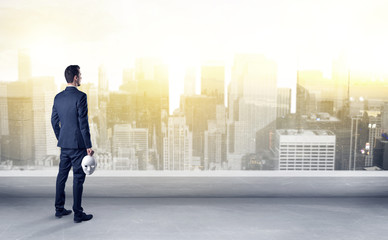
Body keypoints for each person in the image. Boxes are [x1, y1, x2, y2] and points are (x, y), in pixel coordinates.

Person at [51, 65, 94, 223]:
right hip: (78, 145)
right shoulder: (81, 97)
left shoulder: (58, 97)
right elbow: (83, 124)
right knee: (78, 178)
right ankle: (78, 213)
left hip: (64, 145)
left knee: (61, 176)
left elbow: (54, 121)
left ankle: (59, 209)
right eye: (80, 75)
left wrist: (61, 137)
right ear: (75, 77)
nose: (81, 77)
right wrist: (88, 145)